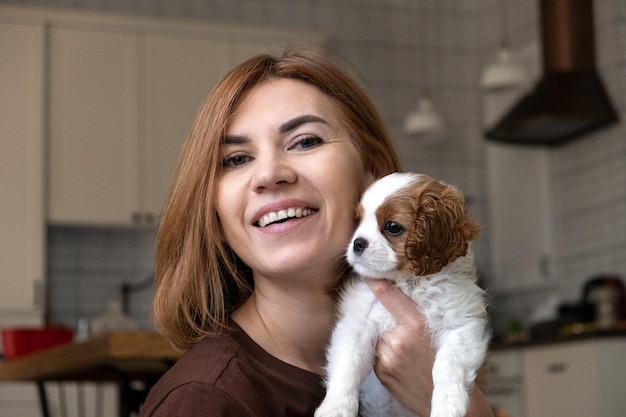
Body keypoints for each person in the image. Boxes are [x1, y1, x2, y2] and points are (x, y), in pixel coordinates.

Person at [139, 48, 493, 417]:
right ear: (216, 215)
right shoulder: (204, 400)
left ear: (375, 174)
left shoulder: (430, 358)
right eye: (237, 159)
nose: (270, 174)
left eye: (306, 141)